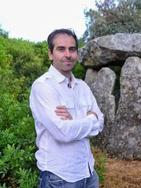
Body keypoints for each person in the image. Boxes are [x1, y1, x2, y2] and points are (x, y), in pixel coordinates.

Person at [29, 28, 104, 188]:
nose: (68, 54)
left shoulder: (83, 87)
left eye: (72, 49)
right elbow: (63, 132)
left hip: (88, 172)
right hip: (60, 177)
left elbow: (101, 122)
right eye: (61, 49)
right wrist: (91, 118)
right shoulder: (43, 87)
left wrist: (76, 120)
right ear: (50, 54)